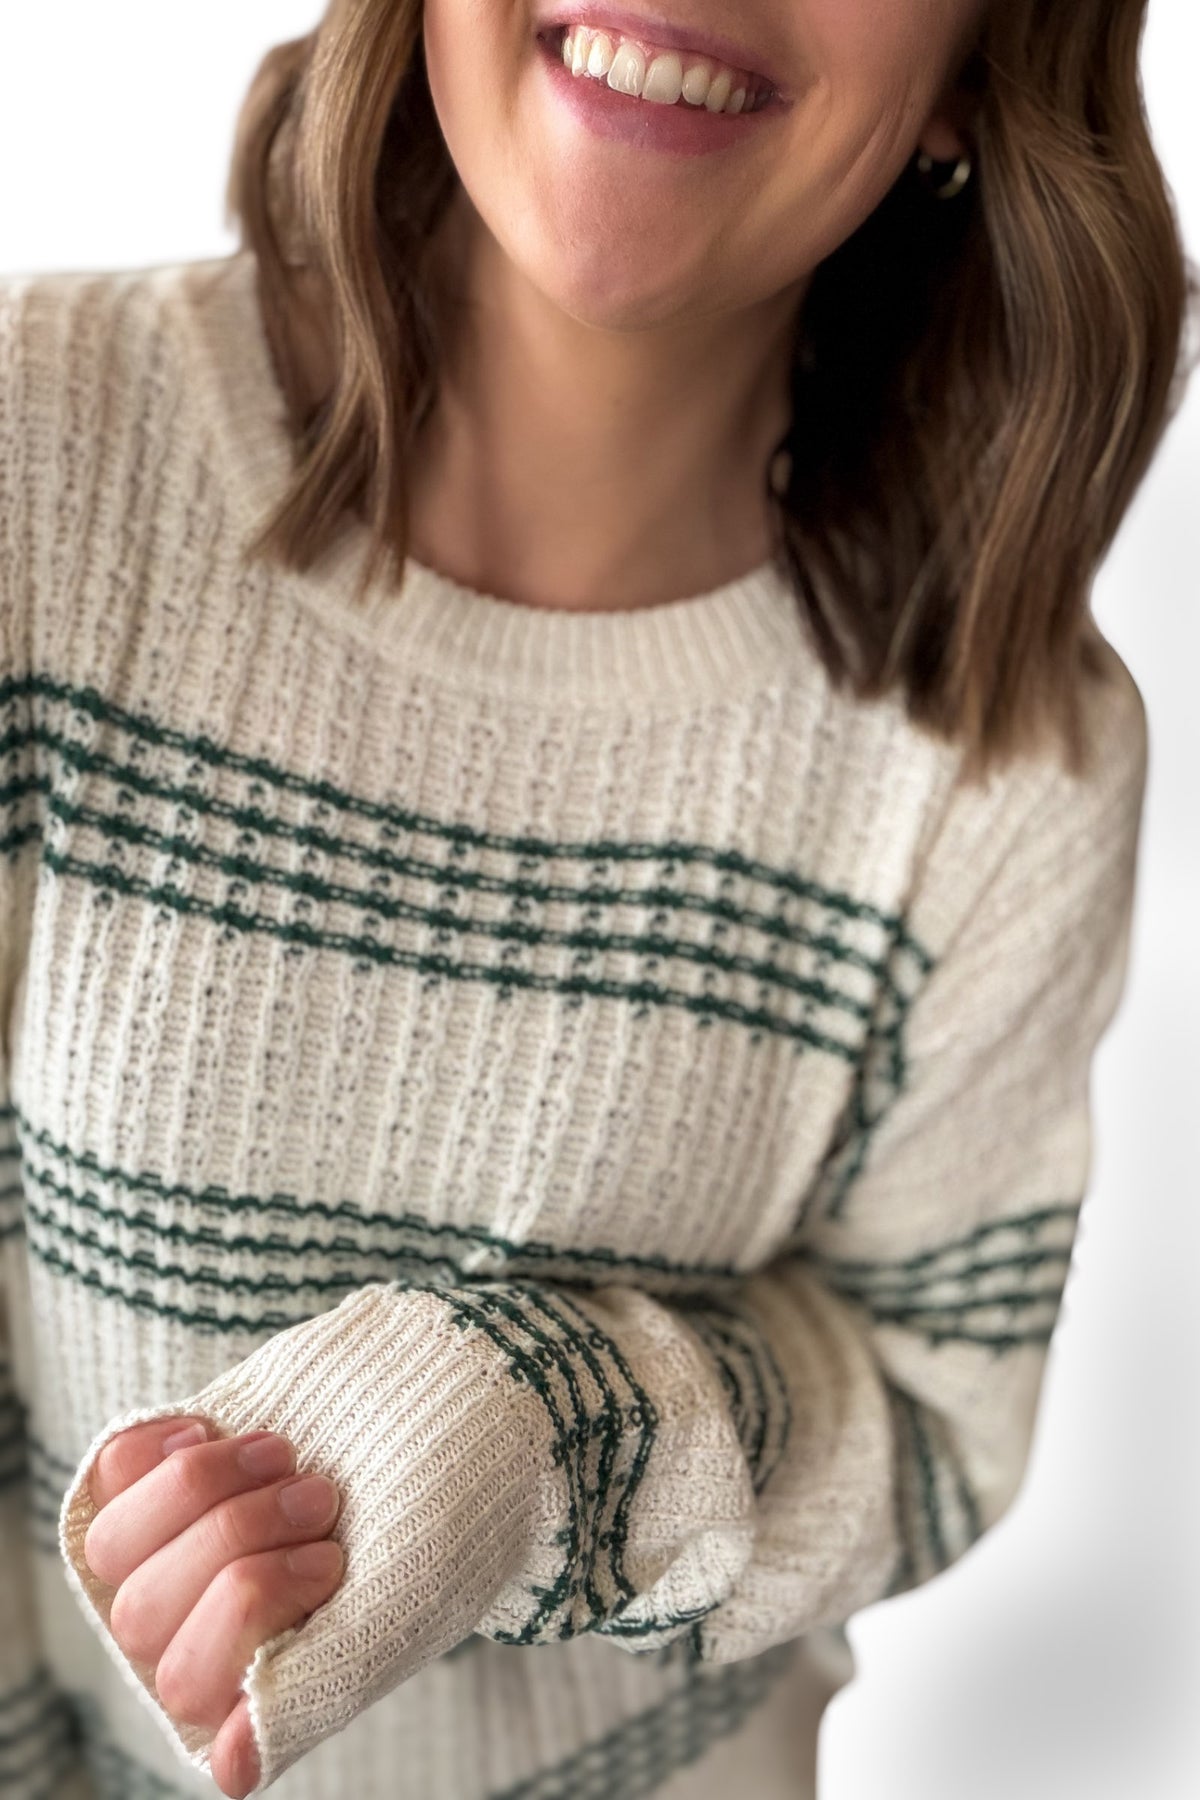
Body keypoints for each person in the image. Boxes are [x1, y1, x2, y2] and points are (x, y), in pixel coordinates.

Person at [0, 2, 1195, 1797]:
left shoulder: (1007, 756)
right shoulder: (38, 468)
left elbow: (937, 1400)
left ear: (974, 69)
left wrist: (552, 1437)